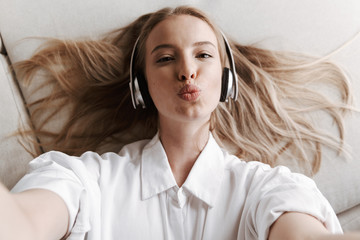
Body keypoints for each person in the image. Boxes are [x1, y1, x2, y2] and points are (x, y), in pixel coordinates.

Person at [0, 5, 359, 240]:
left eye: (203, 54)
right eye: (166, 58)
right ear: (140, 86)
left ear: (226, 78)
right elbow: (25, 224)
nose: (187, 70)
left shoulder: (264, 189)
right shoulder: (90, 180)